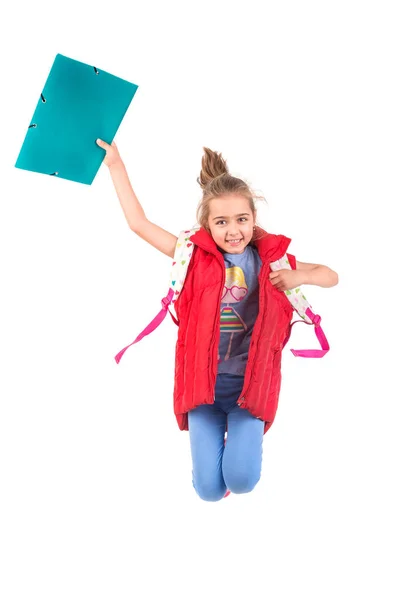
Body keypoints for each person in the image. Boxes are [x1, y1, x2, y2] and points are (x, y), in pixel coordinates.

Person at [96, 138, 339, 502]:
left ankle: (236, 448)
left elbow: (330, 274)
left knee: (241, 481)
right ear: (206, 226)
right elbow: (138, 223)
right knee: (210, 492)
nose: (233, 230)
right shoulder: (191, 257)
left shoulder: (271, 261)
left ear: (254, 220)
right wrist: (115, 164)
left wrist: (298, 277)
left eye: (242, 219)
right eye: (221, 222)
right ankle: (213, 461)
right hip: (203, 389)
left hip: (249, 388)